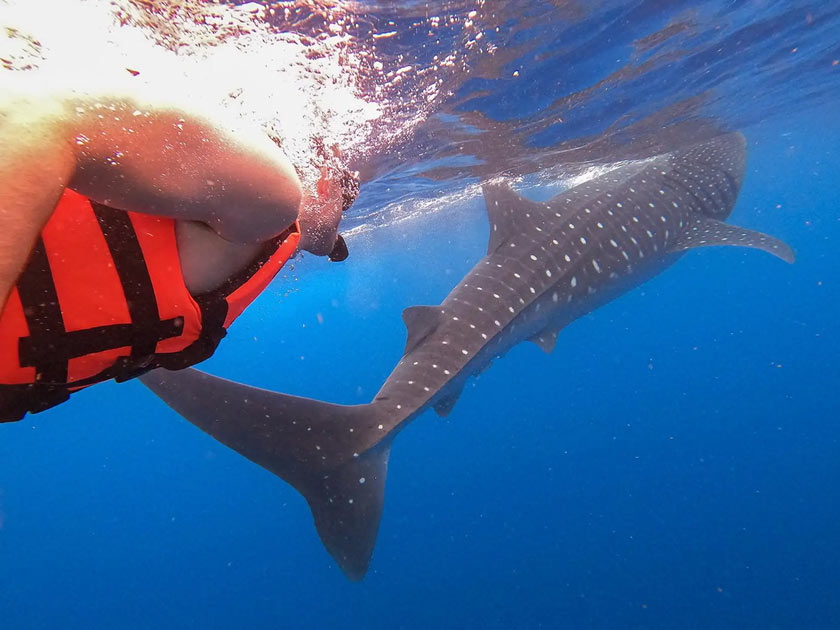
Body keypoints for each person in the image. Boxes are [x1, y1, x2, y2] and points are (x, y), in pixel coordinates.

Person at [0, 73, 358, 421]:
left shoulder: (253, 229)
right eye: (347, 196)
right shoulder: (270, 194)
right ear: (326, 183)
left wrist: (328, 244)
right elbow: (33, 112)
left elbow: (320, 240)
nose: (342, 219)